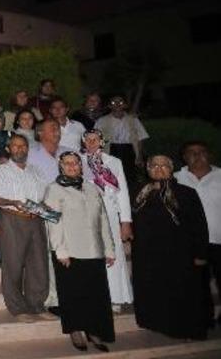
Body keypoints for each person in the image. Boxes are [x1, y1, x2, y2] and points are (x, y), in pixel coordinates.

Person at [132, 155, 210, 340]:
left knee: (181, 292)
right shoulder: (138, 192)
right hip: (148, 254)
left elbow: (199, 224)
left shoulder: (186, 193)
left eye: (164, 165)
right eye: (154, 165)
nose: (159, 169)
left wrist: (200, 252)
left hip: (178, 253)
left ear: (171, 168)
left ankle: (185, 329)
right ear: (148, 169)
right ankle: (155, 323)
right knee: (153, 291)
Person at [43, 151, 116, 352]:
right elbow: (52, 221)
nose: (72, 166)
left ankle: (94, 330)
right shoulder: (53, 189)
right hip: (69, 250)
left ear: (80, 166)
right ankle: (75, 330)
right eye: (67, 164)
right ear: (61, 167)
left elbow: (103, 220)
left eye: (75, 163)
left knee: (95, 295)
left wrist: (109, 248)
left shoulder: (92, 189)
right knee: (72, 294)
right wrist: (60, 251)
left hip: (95, 250)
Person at [0, 134, 56, 323]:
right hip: (12, 219)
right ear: (9, 149)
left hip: (36, 220)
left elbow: (44, 196)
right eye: (16, 146)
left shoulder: (36, 171)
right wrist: (12, 202)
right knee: (13, 264)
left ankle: (37, 305)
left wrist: (48, 208)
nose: (20, 149)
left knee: (39, 264)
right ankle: (18, 308)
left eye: (23, 146)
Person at [80, 130, 133, 311]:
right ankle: (94, 296)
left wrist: (125, 221)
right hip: (86, 213)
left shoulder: (113, 162)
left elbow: (123, 192)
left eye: (95, 139)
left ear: (101, 141)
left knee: (112, 253)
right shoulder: (77, 161)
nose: (91, 142)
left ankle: (115, 297)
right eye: (88, 140)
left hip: (110, 212)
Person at [175, 141, 221, 326]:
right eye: (191, 152)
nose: (197, 155)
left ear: (209, 155)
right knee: (198, 284)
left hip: (219, 239)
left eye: (202, 151)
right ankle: (205, 319)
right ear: (184, 157)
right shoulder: (177, 177)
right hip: (191, 243)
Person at [94, 95, 150, 196]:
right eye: (113, 103)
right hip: (111, 150)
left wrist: (139, 156)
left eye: (120, 102)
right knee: (111, 176)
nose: (117, 105)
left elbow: (140, 138)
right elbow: (96, 139)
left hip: (129, 150)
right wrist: (99, 156)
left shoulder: (133, 119)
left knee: (129, 177)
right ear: (109, 106)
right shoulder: (102, 120)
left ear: (125, 105)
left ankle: (130, 199)